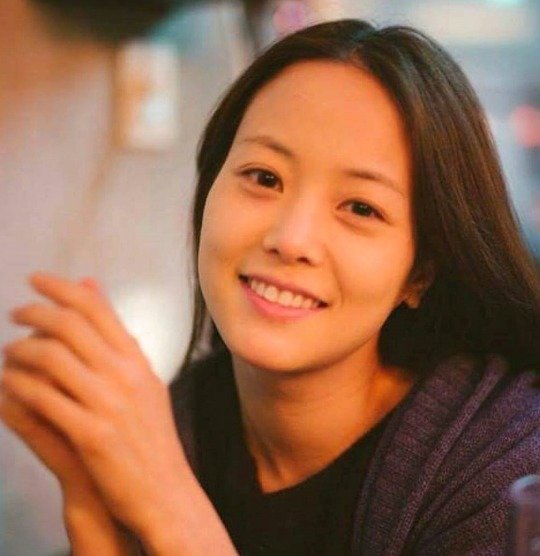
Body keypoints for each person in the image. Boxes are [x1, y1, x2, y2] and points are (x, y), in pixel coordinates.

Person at [1, 18, 539, 555]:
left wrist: (168, 501)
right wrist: (89, 500)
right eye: (264, 178)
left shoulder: (507, 476)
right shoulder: (188, 421)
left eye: (360, 208)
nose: (290, 239)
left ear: (419, 275)